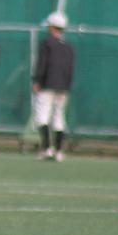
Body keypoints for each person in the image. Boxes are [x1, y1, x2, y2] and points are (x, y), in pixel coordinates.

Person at [32, 11, 75, 162]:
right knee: (58, 117)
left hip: (48, 84)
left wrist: (37, 80)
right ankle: (58, 151)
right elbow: (70, 68)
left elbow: (42, 63)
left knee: (42, 117)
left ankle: (46, 148)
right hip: (63, 86)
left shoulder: (47, 43)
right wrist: (67, 86)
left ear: (52, 27)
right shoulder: (68, 46)